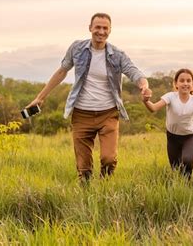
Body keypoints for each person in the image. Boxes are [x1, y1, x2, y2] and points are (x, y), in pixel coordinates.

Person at [26, 13, 149, 181]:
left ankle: (105, 188)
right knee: (83, 168)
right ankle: (86, 194)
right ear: (90, 28)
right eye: (97, 27)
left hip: (108, 113)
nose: (101, 31)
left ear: (110, 30)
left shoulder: (117, 55)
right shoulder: (77, 48)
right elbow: (62, 71)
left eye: (105, 28)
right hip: (81, 114)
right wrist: (40, 97)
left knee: (109, 159)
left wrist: (144, 84)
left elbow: (133, 71)